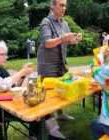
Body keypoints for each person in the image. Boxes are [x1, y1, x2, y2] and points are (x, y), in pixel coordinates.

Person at [37, 0, 83, 139]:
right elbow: (47, 43)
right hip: (47, 63)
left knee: (60, 88)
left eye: (65, 5)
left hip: (60, 62)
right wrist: (64, 37)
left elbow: (67, 42)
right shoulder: (46, 22)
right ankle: (50, 123)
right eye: (61, 5)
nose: (64, 8)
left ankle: (60, 114)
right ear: (52, 6)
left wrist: (75, 39)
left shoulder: (65, 23)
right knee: (49, 93)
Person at [0, 41, 40, 138]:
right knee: (33, 110)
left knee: (37, 104)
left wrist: (22, 76)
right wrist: (21, 72)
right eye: (3, 54)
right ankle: (40, 135)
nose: (6, 57)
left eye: (6, 54)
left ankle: (49, 132)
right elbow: (2, 86)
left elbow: (13, 87)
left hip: (5, 103)